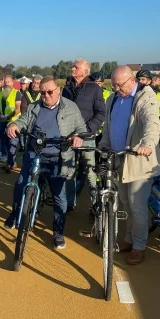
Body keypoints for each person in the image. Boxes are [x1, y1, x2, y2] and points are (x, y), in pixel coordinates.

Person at [5, 76, 86, 249]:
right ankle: (16, 213)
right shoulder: (35, 106)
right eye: (42, 92)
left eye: (50, 91)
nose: (46, 95)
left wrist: (78, 137)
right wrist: (14, 125)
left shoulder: (71, 107)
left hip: (58, 158)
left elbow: (81, 129)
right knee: (20, 184)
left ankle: (58, 232)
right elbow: (23, 120)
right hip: (35, 154)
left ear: (58, 90)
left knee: (59, 196)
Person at [98, 65, 160, 264]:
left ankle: (139, 245)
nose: (116, 88)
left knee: (137, 204)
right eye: (114, 85)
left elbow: (152, 122)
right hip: (119, 159)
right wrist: (104, 145)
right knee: (124, 203)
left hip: (139, 160)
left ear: (132, 80)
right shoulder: (113, 98)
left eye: (120, 85)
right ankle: (128, 238)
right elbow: (108, 125)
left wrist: (147, 143)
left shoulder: (145, 97)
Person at [62, 58, 106, 212]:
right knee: (69, 172)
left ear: (85, 71)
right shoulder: (66, 89)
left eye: (76, 67)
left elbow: (101, 113)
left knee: (90, 172)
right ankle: (69, 203)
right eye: (72, 66)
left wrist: (84, 132)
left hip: (86, 138)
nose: (72, 69)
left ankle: (94, 204)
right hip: (68, 137)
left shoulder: (94, 89)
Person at [0, 75, 22, 173]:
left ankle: (11, 164)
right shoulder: (1, 94)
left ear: (12, 83)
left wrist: (7, 117)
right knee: (5, 143)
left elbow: (18, 108)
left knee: (12, 143)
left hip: (13, 122)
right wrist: (0, 116)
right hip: (2, 121)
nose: (7, 84)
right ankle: (11, 162)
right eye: (5, 82)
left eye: (9, 82)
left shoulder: (17, 93)